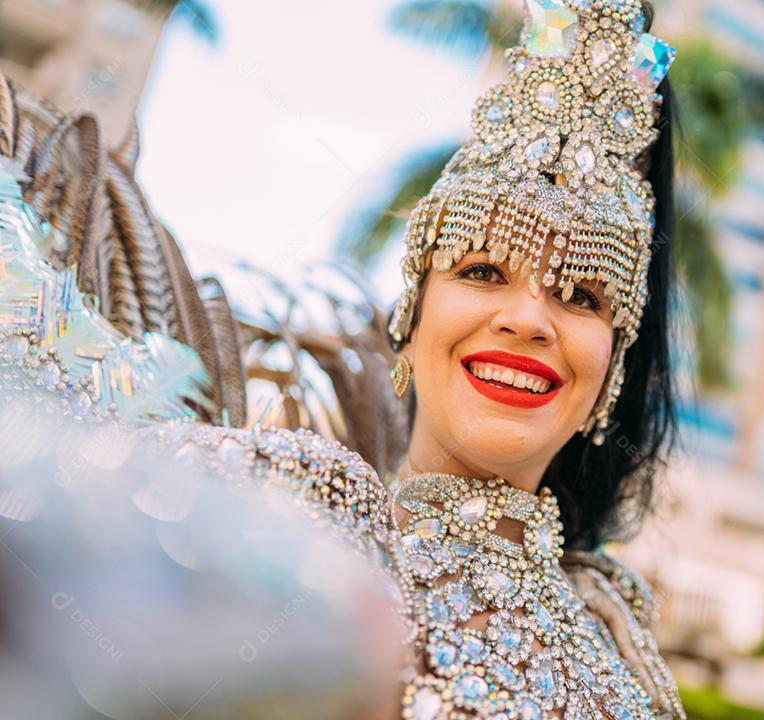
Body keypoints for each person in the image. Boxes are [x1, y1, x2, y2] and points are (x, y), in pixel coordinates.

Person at [1, 0, 686, 717]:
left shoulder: (613, 620)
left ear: (613, 364)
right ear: (412, 315)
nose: (528, 319)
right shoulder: (301, 500)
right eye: (483, 272)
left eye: (580, 294)